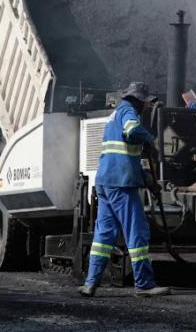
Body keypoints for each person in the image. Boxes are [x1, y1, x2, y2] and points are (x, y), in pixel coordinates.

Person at [78, 82, 170, 298]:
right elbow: (133, 130)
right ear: (138, 100)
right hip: (121, 184)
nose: (146, 107)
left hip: (105, 181)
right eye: (145, 103)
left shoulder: (115, 115)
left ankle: (90, 284)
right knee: (136, 231)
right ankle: (144, 284)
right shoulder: (128, 112)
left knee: (104, 235)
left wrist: (148, 181)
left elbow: (126, 157)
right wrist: (151, 141)